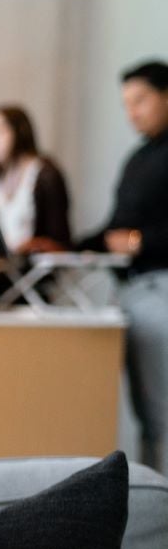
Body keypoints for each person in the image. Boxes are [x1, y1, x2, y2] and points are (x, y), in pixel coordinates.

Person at [82, 59, 168, 470]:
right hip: (131, 293)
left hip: (160, 292)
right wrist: (69, 245)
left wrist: (139, 242)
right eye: (126, 104)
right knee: (147, 416)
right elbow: (114, 229)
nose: (133, 112)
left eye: (141, 100)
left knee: (163, 416)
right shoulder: (138, 159)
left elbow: (132, 235)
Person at [0, 104, 72, 253]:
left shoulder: (44, 175)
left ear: (19, 131)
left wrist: (31, 246)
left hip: (32, 269)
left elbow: (60, 240)